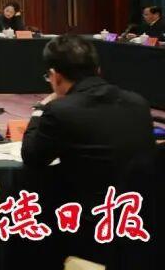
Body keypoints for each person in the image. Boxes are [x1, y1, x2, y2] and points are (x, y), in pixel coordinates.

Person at [21, 34, 155, 266]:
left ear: (55, 76)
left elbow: (32, 157)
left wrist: (41, 108)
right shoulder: (139, 103)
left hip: (89, 230)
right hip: (142, 223)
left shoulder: (61, 110)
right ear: (98, 70)